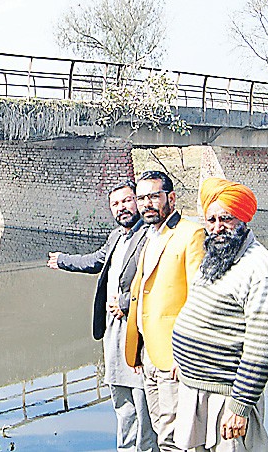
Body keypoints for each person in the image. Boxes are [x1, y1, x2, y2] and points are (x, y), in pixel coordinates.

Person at [172, 177, 268, 452]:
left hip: (226, 397)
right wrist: (181, 361)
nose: (217, 228)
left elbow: (263, 346)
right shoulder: (215, 257)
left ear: (244, 220)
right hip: (193, 386)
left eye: (227, 219)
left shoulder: (261, 268)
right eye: (211, 220)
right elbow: (196, 309)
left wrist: (240, 406)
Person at [48, 181, 158, 452]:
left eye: (127, 200)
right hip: (113, 333)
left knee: (143, 401)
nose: (121, 207)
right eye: (116, 204)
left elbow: (155, 280)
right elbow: (96, 261)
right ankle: (125, 448)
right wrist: (63, 260)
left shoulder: (152, 236)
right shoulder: (116, 236)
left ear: (139, 202)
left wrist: (126, 302)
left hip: (139, 333)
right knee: (120, 398)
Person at [125, 170, 205, 452]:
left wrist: (186, 355)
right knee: (160, 427)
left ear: (170, 197)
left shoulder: (191, 234)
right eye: (141, 197)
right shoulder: (150, 234)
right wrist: (137, 348)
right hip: (148, 352)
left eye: (153, 196)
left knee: (175, 436)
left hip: (174, 355)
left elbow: (198, 300)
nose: (146, 203)